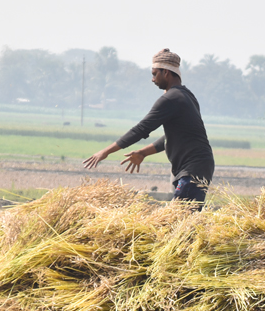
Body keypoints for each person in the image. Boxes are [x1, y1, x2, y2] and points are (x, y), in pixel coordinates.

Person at [83, 49, 214, 208]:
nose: (152, 79)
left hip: (193, 169)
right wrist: (142, 153)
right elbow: (169, 137)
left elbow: (141, 129)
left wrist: (105, 152)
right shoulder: (186, 96)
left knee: (177, 219)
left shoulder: (171, 99)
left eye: (154, 74)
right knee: (183, 221)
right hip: (197, 167)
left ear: (165, 72)